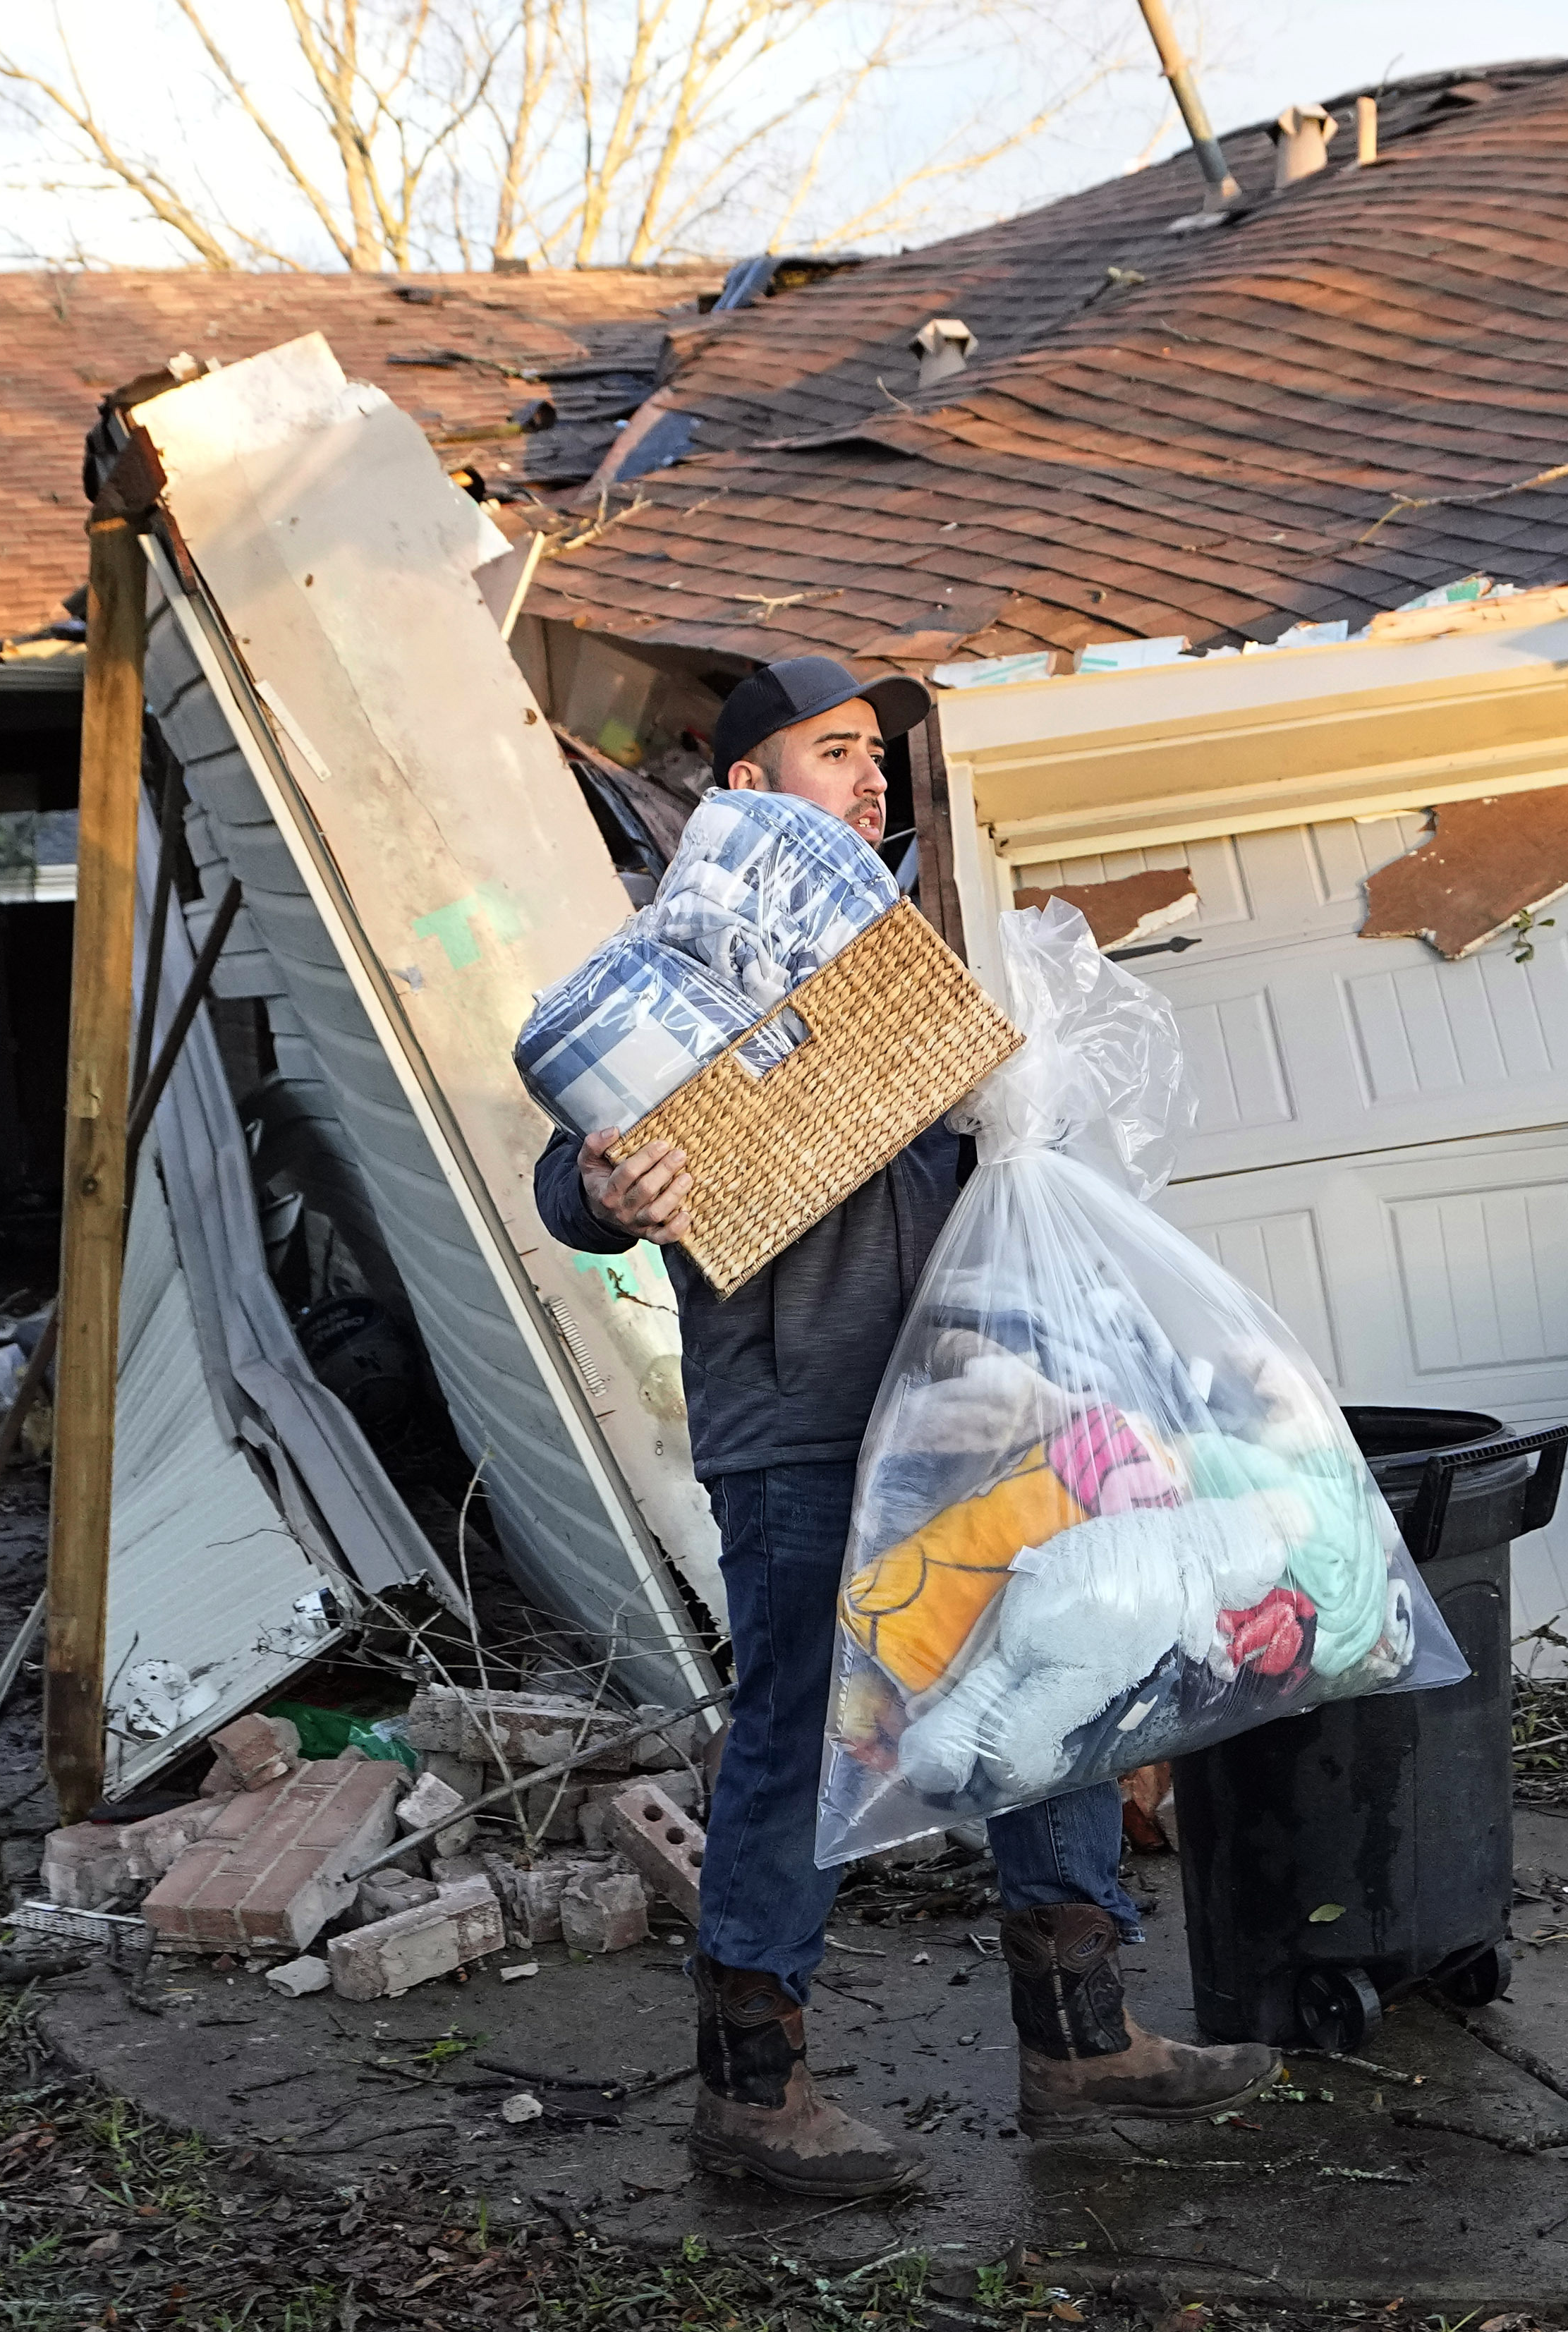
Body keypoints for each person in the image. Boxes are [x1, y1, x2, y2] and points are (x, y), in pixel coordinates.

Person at [532, 657, 1274, 2199]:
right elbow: (572, 1170)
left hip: (976, 1392)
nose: (867, 780)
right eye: (831, 752)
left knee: (1057, 1682)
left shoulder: (911, 962)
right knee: (806, 1732)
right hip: (798, 1420)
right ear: (743, 790)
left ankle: (1079, 2038)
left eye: (877, 757)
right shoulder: (683, 969)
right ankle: (750, 2085)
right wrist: (601, 1189)